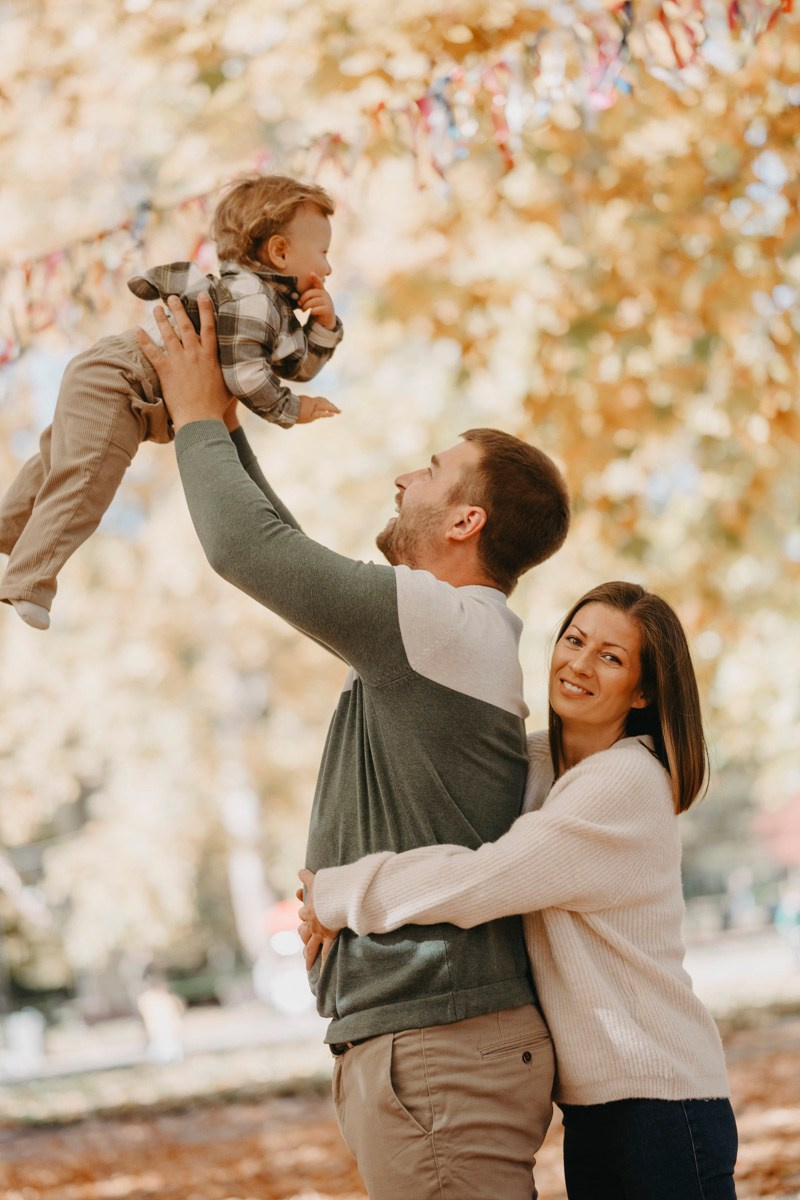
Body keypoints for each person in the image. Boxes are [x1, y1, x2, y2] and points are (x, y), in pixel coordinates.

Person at [136, 292, 571, 1200]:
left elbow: (248, 551)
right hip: (431, 1051)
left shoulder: (444, 621)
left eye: (432, 470)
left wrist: (193, 420)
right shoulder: (446, 630)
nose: (404, 479)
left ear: (466, 522)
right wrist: (216, 421)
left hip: (440, 1056)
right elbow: (280, 544)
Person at [300, 581, 739, 1200]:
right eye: (574, 640)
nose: (580, 664)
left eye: (610, 657)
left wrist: (341, 895)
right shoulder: (549, 767)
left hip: (662, 1100)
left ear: (642, 691)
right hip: (602, 1105)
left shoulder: (626, 783)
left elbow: (485, 878)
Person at [0, 173, 342, 630]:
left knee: (55, 464)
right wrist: (291, 408)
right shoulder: (252, 299)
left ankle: (8, 529)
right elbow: (246, 375)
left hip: (112, 378)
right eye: (323, 252)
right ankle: (28, 582)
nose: (329, 268)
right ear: (279, 251)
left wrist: (323, 324)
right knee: (85, 479)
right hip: (121, 383)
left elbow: (295, 363)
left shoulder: (269, 306)